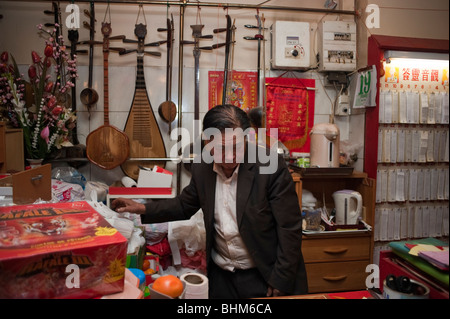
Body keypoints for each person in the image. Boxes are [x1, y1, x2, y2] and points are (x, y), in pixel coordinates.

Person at [112, 104, 308, 298]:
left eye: (237, 147)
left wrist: (280, 279)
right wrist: (142, 208)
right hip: (222, 278)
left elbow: (289, 227)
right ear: (208, 143)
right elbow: (184, 205)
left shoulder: (269, 166)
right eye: (221, 148)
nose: (230, 156)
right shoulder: (202, 166)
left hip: (264, 275)